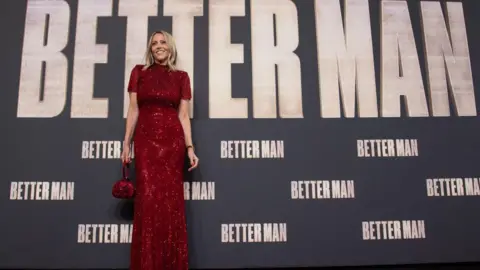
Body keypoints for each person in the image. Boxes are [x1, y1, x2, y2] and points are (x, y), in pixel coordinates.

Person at [121, 30, 199, 270]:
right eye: (154, 43)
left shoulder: (181, 77)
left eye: (163, 42)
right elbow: (133, 111)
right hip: (145, 144)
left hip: (171, 145)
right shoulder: (139, 73)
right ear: (150, 49)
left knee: (170, 204)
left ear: (170, 46)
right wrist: (126, 142)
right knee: (148, 202)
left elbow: (183, 116)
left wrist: (189, 147)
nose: (158, 46)